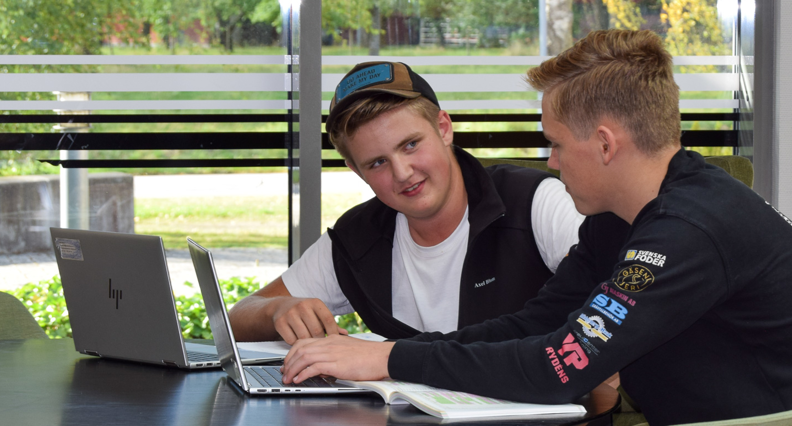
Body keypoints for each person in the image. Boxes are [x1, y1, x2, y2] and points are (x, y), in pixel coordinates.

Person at [280, 29, 792, 426]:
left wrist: (388, 358)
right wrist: (388, 357)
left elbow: (559, 368)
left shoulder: (686, 232)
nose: (550, 162)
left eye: (555, 143)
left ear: (605, 144)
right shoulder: (624, 219)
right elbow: (536, 322)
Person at [229, 61, 583, 344]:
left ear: (444, 128)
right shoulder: (357, 238)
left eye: (410, 145)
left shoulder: (535, 201)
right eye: (377, 163)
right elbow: (237, 318)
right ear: (356, 170)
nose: (402, 173)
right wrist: (277, 310)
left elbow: (620, 300)